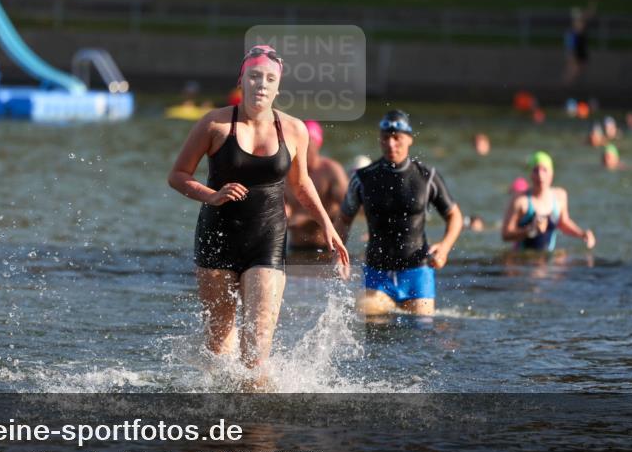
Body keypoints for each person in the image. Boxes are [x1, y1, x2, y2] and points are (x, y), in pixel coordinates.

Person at [167, 45, 349, 385]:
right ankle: (222, 425)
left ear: (278, 87)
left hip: (267, 238)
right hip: (217, 236)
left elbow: (301, 183)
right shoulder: (214, 123)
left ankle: (255, 427)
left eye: (269, 79)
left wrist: (327, 225)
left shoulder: (293, 130)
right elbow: (178, 175)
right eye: (254, 76)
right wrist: (213, 195)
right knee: (219, 344)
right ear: (242, 81)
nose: (261, 84)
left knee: (257, 345)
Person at [336, 110, 463, 317]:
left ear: (409, 139)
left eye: (397, 138)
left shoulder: (427, 177)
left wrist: (445, 247)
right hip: (377, 272)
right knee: (372, 328)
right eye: (385, 138)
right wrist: (339, 254)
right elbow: (343, 218)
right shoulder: (364, 178)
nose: (391, 143)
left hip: (417, 273)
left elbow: (454, 216)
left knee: (422, 331)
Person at [502, 151, 595, 252]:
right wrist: (530, 230)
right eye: (536, 170)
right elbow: (505, 234)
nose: (540, 175)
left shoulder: (560, 196)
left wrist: (582, 234)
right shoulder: (521, 201)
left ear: (552, 173)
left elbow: (563, 223)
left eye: (544, 170)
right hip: (522, 262)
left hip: (548, 260)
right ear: (530, 174)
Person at [284, 120, 349, 250]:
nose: (301, 149)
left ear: (317, 144)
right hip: (295, 249)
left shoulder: (331, 171)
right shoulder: (286, 172)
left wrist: (310, 216)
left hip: (327, 249)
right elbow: (283, 209)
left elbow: (350, 207)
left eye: (306, 144)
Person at [563, 1, 596, 85]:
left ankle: (569, 83)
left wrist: (591, 5)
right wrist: (571, 54)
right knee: (573, 67)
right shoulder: (573, 30)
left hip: (580, 45)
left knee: (581, 66)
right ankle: (566, 84)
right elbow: (570, 44)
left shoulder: (580, 22)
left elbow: (589, 15)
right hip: (576, 46)